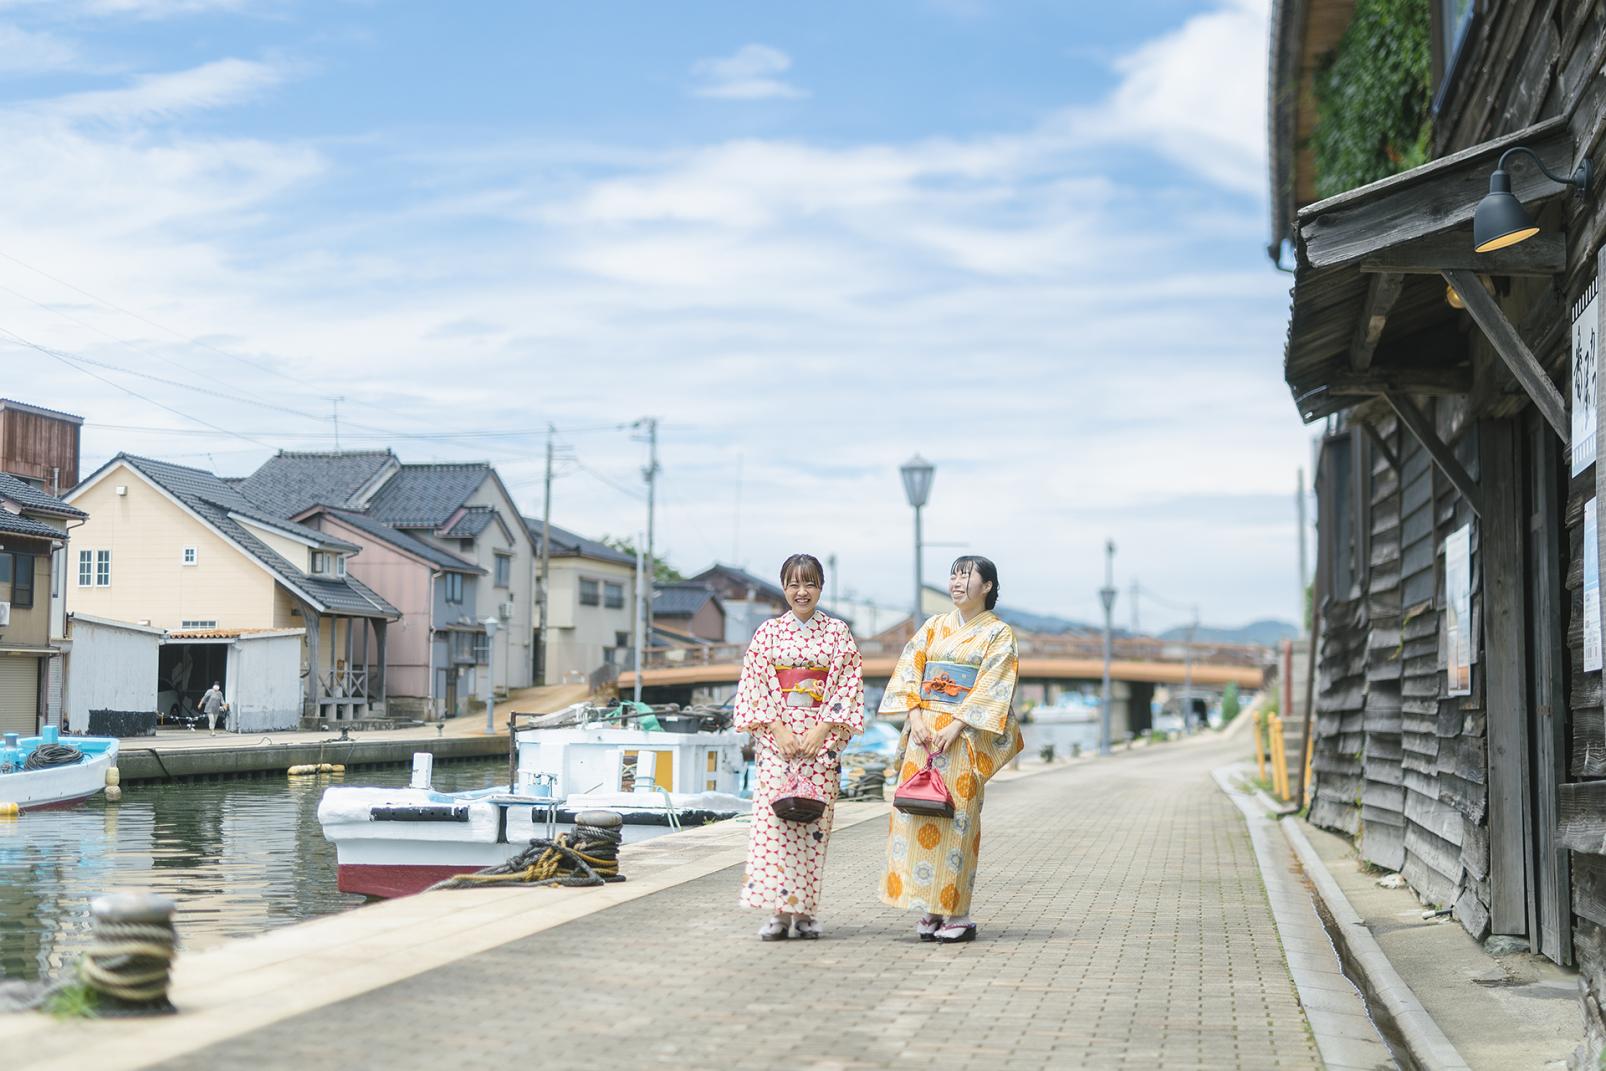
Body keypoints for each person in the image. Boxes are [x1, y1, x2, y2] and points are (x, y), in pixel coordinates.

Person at [879, 556, 1023, 943]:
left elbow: (994, 685)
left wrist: (958, 725)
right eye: (954, 575)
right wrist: (917, 717)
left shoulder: (998, 634)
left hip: (963, 739)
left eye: (967, 576)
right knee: (917, 814)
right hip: (924, 733)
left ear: (988, 586)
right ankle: (927, 910)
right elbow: (910, 669)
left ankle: (956, 912)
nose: (957, 583)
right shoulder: (933, 626)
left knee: (957, 820)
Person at [734, 553, 864, 940]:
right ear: (784, 588)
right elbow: (755, 684)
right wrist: (779, 729)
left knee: (812, 828)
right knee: (774, 829)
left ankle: (805, 912)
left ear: (821, 587)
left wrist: (822, 730)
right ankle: (778, 913)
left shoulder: (838, 633)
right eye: (793, 583)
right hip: (779, 745)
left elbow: (848, 685)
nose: (801, 591)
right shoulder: (768, 634)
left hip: (819, 745)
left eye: (809, 583)